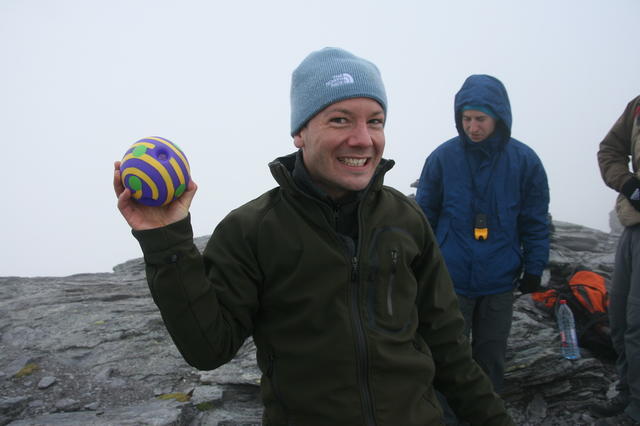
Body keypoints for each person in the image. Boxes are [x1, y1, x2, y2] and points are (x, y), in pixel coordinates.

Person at [113, 48, 514, 426]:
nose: (363, 139)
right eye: (340, 119)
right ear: (300, 133)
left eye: (375, 120)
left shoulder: (405, 219)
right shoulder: (252, 229)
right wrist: (167, 239)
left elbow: (450, 352)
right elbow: (207, 348)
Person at [415, 74, 550, 421]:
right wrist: (418, 266)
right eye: (467, 118)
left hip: (499, 280)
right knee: (447, 355)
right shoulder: (443, 158)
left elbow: (535, 220)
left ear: (499, 118)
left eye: (481, 119)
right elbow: (424, 217)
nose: (473, 127)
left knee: (490, 357)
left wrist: (535, 267)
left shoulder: (525, 162)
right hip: (451, 278)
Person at [594, 95, 640, 425]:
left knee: (638, 323)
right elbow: (610, 149)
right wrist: (627, 183)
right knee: (621, 315)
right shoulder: (638, 106)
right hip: (633, 224)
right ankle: (627, 390)